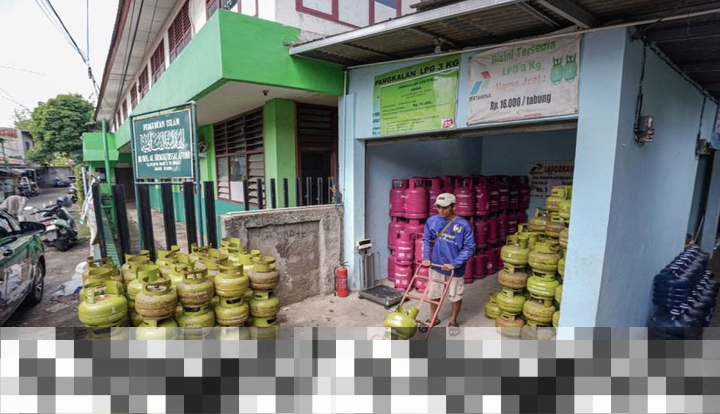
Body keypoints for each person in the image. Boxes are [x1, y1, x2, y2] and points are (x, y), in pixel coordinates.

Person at [421, 193, 475, 335]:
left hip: (454, 269)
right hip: (436, 265)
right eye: (438, 207)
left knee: (455, 295)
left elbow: (469, 248)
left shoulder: (464, 225)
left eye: (444, 207)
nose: (441, 210)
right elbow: (426, 240)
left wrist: (455, 263)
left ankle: (453, 320)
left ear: (453, 207)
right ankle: (434, 318)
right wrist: (426, 257)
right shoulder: (431, 221)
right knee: (433, 293)